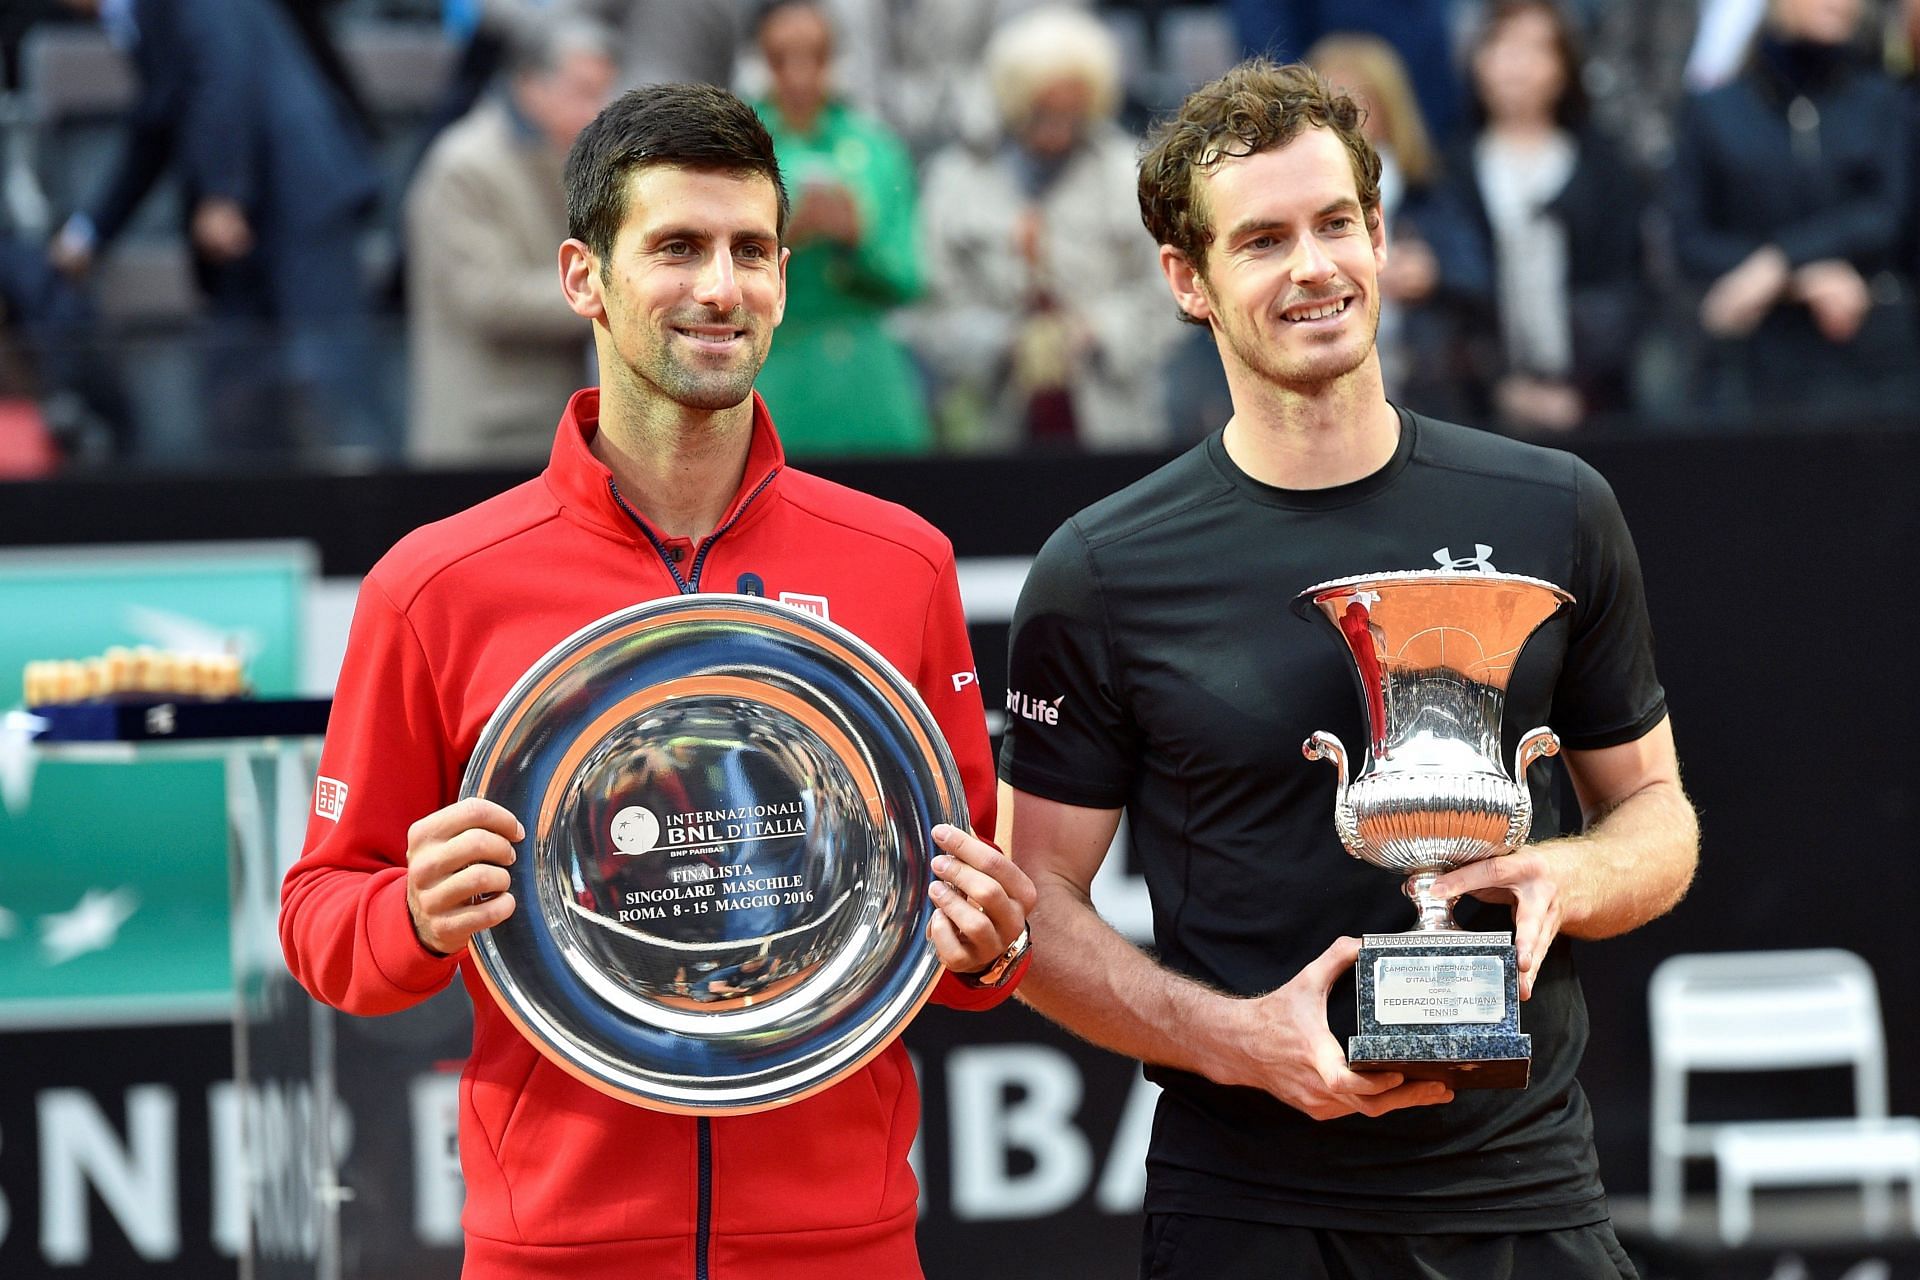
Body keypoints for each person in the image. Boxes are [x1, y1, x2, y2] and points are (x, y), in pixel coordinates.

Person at [280, 83, 1036, 1278]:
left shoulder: (902, 563)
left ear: (786, 276)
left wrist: (993, 945)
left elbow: (960, 924)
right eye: (676, 247)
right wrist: (412, 915)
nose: (720, 287)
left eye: (749, 249)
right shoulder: (436, 583)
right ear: (584, 275)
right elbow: (323, 918)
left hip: (844, 1245)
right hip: (555, 1247)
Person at [961, 60, 1699, 1278]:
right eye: (1262, 240)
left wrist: (1568, 875)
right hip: (1247, 1210)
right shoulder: (1101, 569)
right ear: (1186, 280)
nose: (1314, 268)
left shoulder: (1557, 507)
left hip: (1525, 1192)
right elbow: (1035, 903)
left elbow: (1658, 815)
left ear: (1376, 231)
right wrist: (1243, 1040)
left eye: (1336, 224)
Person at [48, 0, 387, 461]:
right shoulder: (142, 16)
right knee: (240, 386)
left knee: (334, 376)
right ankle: (266, 507)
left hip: (298, 193)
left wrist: (224, 191)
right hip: (255, 216)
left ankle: (375, 509)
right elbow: (156, 122)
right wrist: (90, 233)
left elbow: (223, 70)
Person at [912, 5, 1181, 452]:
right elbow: (928, 306)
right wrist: (1003, 342)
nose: (1055, 130)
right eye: (1041, 113)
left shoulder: (1130, 174)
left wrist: (1094, 332)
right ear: (1015, 101)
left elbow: (1169, 291)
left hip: (1117, 427)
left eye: (1071, 113)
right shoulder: (956, 180)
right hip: (990, 430)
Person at [1668, 0, 1919, 425]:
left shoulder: (1885, 104)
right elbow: (1690, 240)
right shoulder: (1713, 111)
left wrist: (1777, 261)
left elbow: (1887, 214)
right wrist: (1801, 279)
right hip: (1750, 366)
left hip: (1869, 360)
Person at [404, 19, 614, 464]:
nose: (598, 110)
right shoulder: (464, 164)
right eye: (583, 91)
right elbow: (489, 298)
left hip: (542, 424)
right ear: (531, 85)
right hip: (486, 433)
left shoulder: (566, 155)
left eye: (604, 92)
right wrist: (613, 293)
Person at [1452, 0, 1647, 433]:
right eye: (1503, 47)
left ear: (1565, 66)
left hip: (1598, 409)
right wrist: (1498, 387)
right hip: (1477, 415)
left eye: (1537, 49)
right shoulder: (1450, 170)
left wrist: (1581, 391)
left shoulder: (1605, 167)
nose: (1517, 67)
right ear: (1477, 60)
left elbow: (1625, 287)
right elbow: (1452, 299)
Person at [749, 0, 932, 456]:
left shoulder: (875, 147)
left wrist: (856, 241)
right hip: (770, 369)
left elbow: (909, 277)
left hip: (866, 379)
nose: (798, 75)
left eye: (816, 57)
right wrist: (778, 240)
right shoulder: (737, 144)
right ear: (760, 61)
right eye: (780, 59)